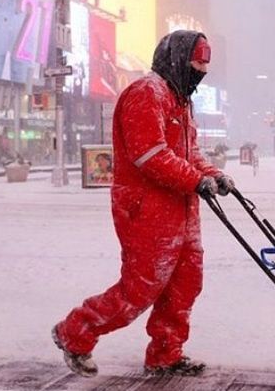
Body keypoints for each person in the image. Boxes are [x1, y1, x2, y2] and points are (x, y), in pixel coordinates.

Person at [51, 30, 236, 378]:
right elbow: (150, 155)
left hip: (182, 208)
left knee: (185, 284)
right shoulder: (145, 94)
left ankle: (165, 354)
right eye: (197, 62)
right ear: (179, 59)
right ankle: (74, 331)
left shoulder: (180, 99)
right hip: (147, 209)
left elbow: (188, 152)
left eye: (206, 64)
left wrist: (213, 174)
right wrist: (196, 180)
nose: (203, 70)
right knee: (140, 289)